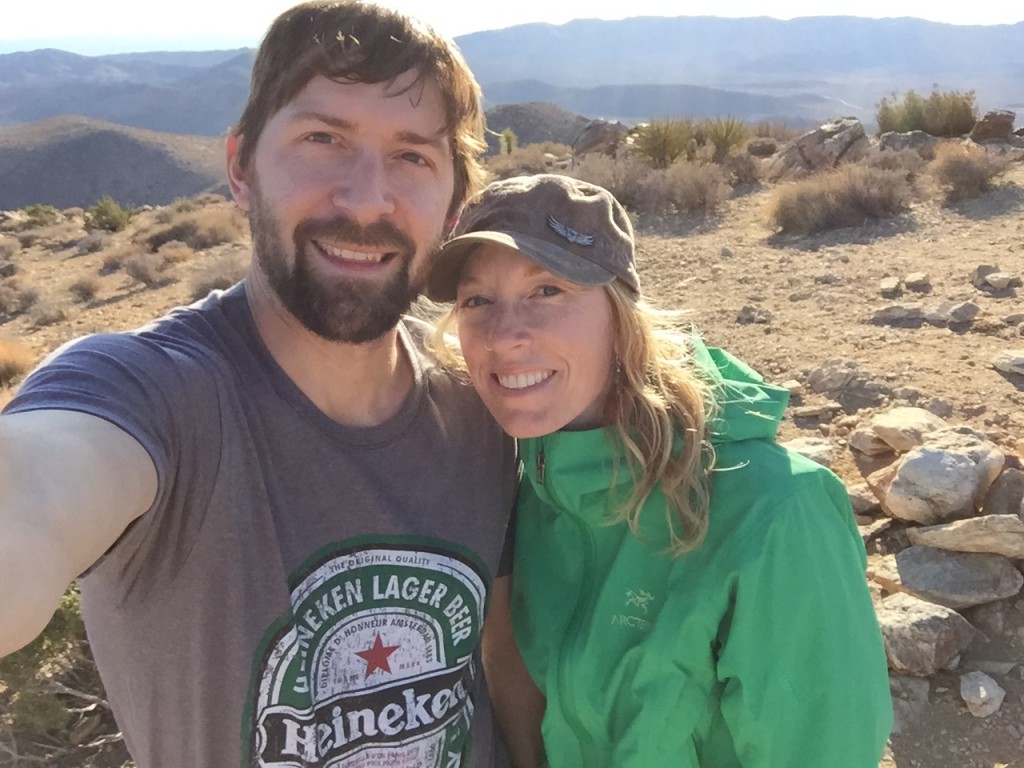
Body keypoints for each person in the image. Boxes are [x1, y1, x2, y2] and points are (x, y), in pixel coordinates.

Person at [0, 3, 519, 767]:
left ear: (453, 205)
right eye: (323, 140)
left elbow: (506, 660)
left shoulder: (485, 402)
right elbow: (36, 486)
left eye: (413, 157)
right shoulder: (151, 394)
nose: (367, 199)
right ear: (241, 168)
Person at [426, 173, 894, 767]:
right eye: (477, 301)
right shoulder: (525, 492)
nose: (504, 336)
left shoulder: (775, 512)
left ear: (621, 320)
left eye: (548, 290)